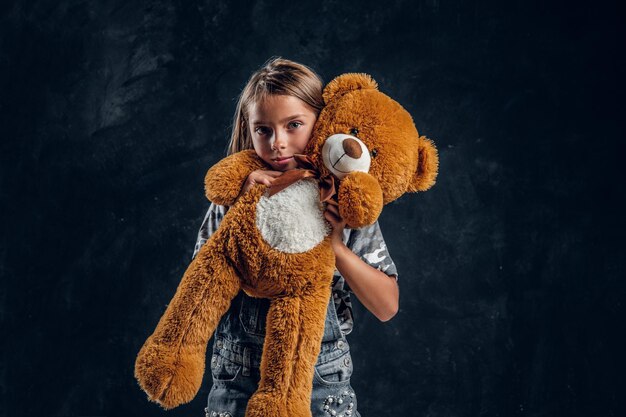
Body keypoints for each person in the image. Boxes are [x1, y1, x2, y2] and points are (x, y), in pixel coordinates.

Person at [194, 57, 399, 417]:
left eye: (294, 125)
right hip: (239, 383)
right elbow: (202, 284)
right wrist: (243, 215)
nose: (278, 143)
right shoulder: (232, 199)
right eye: (264, 130)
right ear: (248, 128)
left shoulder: (347, 203)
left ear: (320, 122)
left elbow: (387, 306)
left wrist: (334, 246)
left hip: (320, 387)